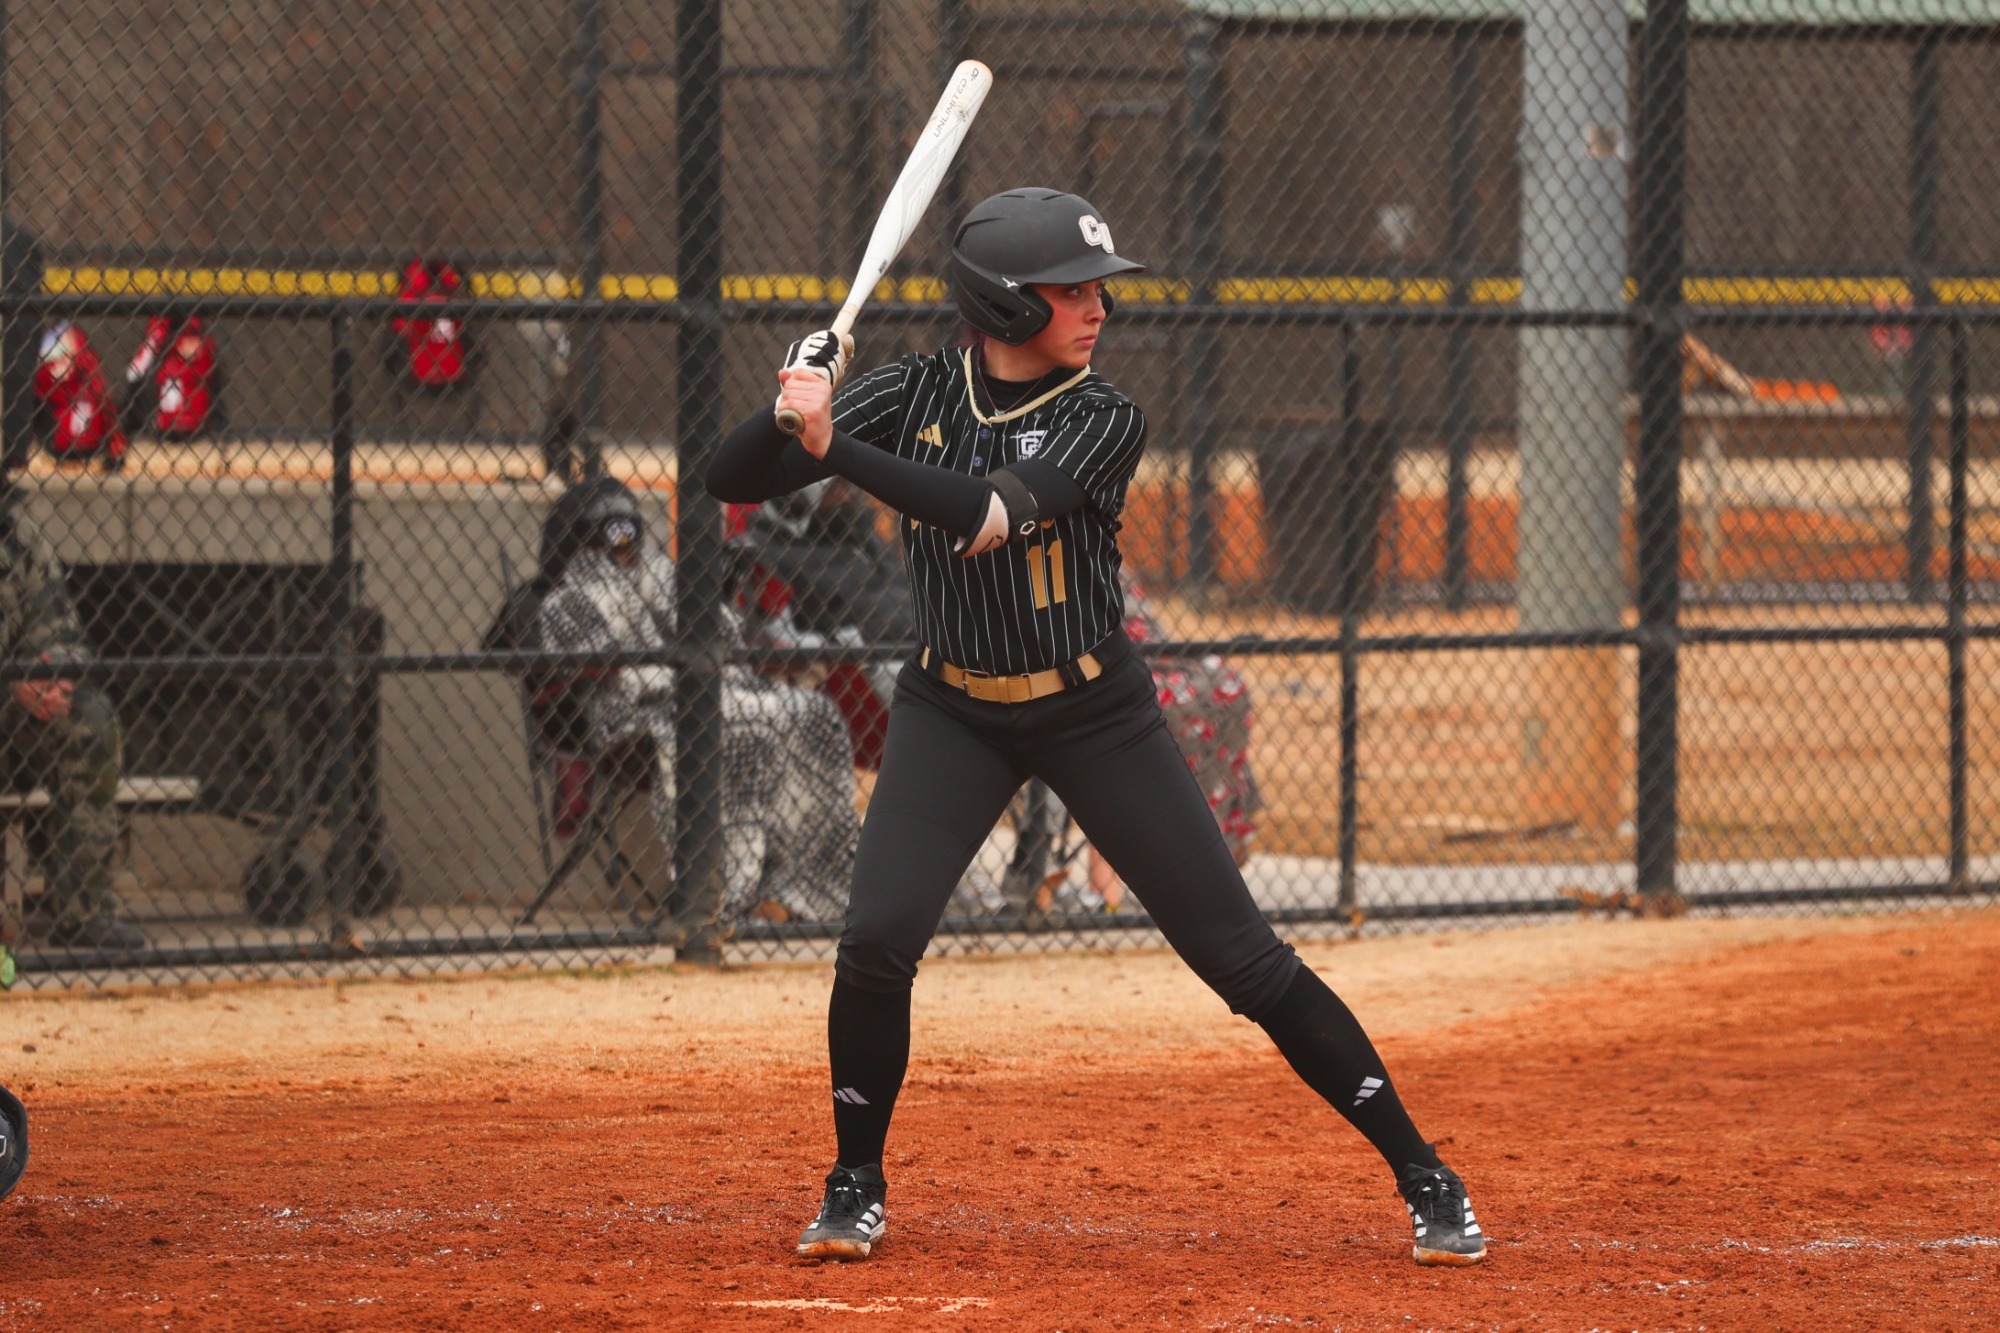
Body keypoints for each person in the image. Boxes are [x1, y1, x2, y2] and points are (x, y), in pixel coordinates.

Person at [707, 187, 1486, 1268]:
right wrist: (793, 398)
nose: (1094, 308)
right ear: (1002, 303)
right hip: (953, 706)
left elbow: (985, 515)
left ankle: (1422, 1171)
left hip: (1093, 711)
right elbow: (727, 476)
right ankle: (854, 1180)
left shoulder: (1101, 415)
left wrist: (834, 446)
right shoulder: (915, 388)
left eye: (1095, 289)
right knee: (875, 941)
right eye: (1068, 290)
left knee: (1242, 962)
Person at [530, 477, 858, 926]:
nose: (623, 554)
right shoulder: (566, 601)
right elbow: (607, 672)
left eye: (631, 540)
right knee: (741, 723)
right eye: (609, 542)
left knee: (814, 713)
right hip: (635, 720)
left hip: (712, 696)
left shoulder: (663, 579)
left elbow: (722, 635)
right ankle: (727, 893)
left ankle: (807, 890)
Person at [0, 489, 143, 950]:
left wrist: (49, 673)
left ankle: (84, 912)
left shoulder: (16, 537)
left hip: (10, 706)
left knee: (90, 719)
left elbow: (63, 631)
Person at [1083, 567, 1261, 912]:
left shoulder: (1103, 557)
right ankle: (1106, 894)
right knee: (1133, 725)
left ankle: (1214, 862)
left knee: (1224, 688)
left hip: (1152, 664)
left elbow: (1150, 633)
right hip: (1099, 684)